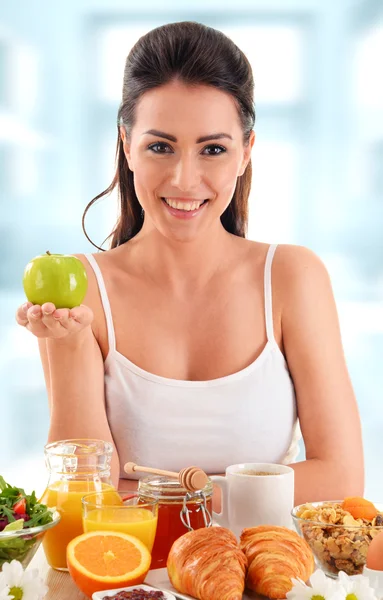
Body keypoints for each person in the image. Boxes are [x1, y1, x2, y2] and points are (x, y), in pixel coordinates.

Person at [16, 21, 364, 507]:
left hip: (264, 577)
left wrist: (176, 491)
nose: (184, 179)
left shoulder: (291, 278)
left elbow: (341, 479)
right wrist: (70, 343)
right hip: (135, 581)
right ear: (126, 145)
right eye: (160, 146)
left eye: (213, 149)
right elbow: (87, 499)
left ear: (246, 153)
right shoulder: (84, 290)